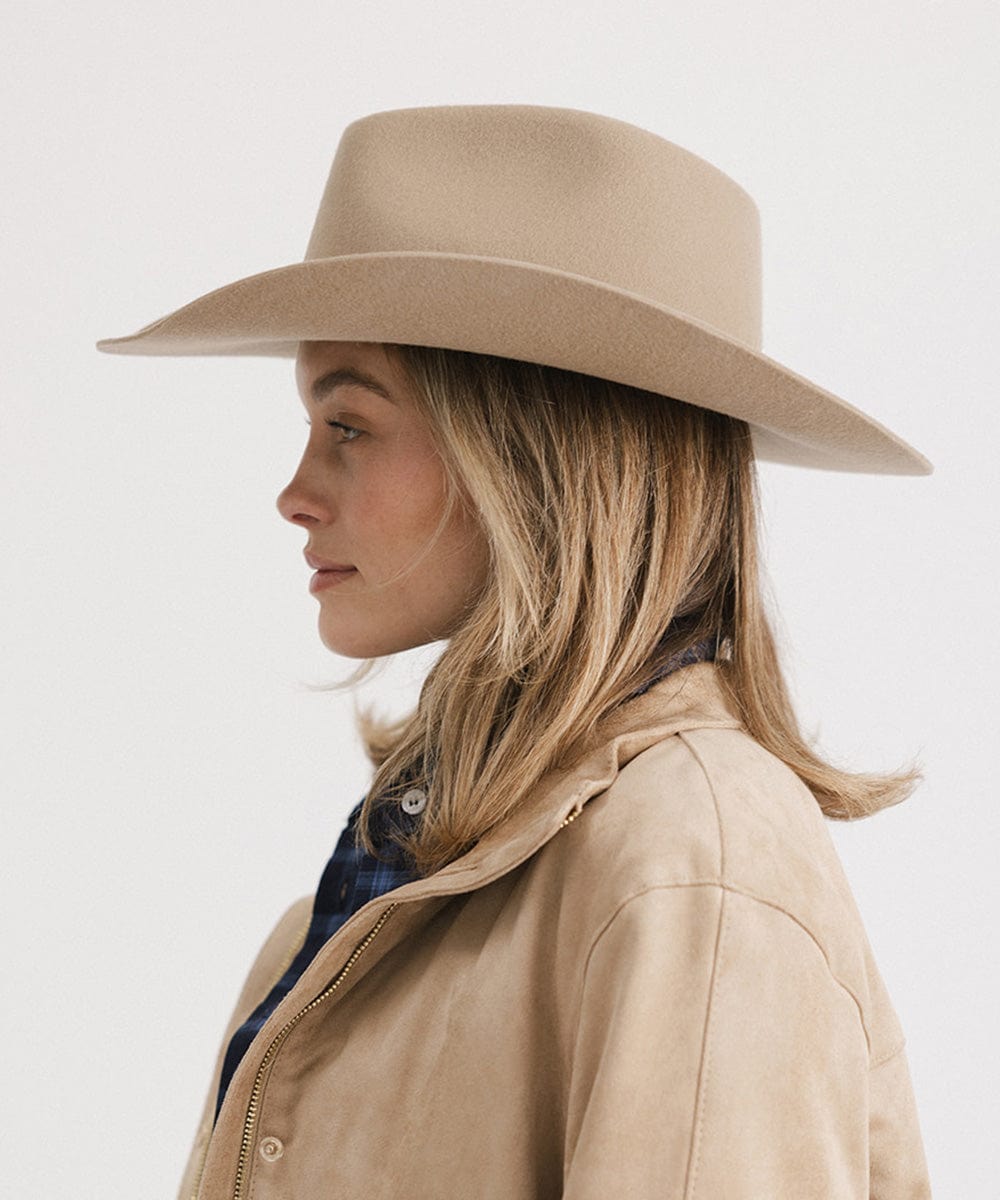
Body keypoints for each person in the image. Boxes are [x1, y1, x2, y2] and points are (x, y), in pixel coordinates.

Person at [97, 104, 933, 1198]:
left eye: (347, 424)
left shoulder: (692, 863)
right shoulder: (375, 902)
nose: (295, 495)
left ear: (531, 453)